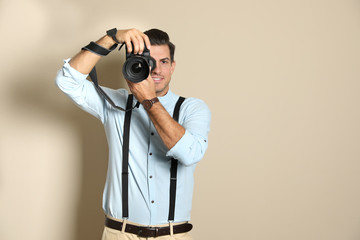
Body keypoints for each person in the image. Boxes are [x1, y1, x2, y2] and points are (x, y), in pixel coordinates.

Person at [55, 28, 211, 240]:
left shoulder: (192, 108)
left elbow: (190, 153)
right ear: (135, 64)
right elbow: (67, 80)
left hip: (173, 236)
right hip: (119, 233)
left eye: (164, 61)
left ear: (173, 67)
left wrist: (148, 100)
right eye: (149, 61)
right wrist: (110, 38)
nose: (156, 69)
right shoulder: (114, 104)